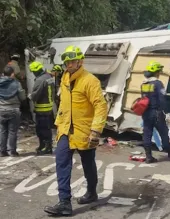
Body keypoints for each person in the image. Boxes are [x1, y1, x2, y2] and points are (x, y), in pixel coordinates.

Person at [44, 46, 108, 216]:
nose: (69, 64)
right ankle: (64, 202)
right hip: (65, 129)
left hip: (84, 132)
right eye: (67, 62)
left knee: (88, 164)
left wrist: (96, 130)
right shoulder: (65, 77)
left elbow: (100, 106)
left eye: (72, 61)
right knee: (61, 162)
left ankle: (92, 192)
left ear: (80, 61)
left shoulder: (90, 80)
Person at [140, 61, 170, 163]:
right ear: (156, 72)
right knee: (163, 133)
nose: (160, 73)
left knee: (147, 133)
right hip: (156, 113)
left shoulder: (144, 84)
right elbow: (162, 99)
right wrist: (166, 112)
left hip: (146, 113)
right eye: (159, 71)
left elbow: (143, 98)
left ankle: (148, 156)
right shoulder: (158, 84)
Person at [29, 61, 55, 155]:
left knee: (41, 129)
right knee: (46, 129)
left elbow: (36, 94)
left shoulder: (40, 80)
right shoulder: (49, 77)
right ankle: (44, 146)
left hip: (41, 109)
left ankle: (46, 147)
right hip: (49, 108)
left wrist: (30, 96)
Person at [0, 66, 25, 156]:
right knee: (12, 131)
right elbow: (22, 97)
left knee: (2, 131)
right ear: (12, 74)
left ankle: (2, 151)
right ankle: (13, 151)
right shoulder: (16, 83)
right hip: (14, 109)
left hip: (1, 109)